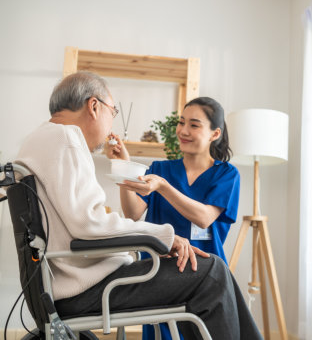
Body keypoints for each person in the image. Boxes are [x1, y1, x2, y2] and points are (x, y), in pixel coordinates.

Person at [15, 71, 263, 340]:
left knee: (215, 270)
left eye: (194, 125)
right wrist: (164, 237)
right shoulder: (67, 141)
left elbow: (85, 222)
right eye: (114, 111)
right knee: (214, 272)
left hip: (69, 283)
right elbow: (91, 223)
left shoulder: (41, 139)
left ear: (215, 133)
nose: (112, 122)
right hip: (87, 288)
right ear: (94, 106)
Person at [106, 97, 240, 340]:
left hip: (204, 277)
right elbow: (133, 213)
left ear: (214, 133)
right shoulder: (161, 169)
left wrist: (163, 187)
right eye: (181, 122)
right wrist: (123, 167)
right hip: (160, 272)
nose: (183, 131)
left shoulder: (226, 174)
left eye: (194, 125)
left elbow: (204, 218)